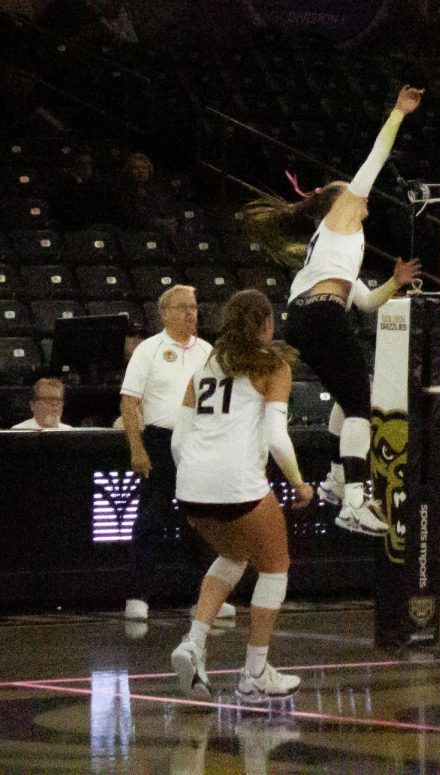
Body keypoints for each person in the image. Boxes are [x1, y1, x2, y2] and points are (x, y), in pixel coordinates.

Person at [242, 85, 424, 536]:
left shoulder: (339, 245)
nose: (361, 194)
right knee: (363, 402)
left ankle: (336, 479)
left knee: (350, 395)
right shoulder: (339, 216)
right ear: (338, 200)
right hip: (320, 315)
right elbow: (374, 161)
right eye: (350, 191)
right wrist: (398, 114)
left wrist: (394, 283)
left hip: (310, 315)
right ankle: (356, 500)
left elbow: (363, 300)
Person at [169, 289, 314, 703]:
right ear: (268, 324)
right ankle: (254, 673)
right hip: (238, 483)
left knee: (233, 555)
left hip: (192, 485)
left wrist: (199, 477)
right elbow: (277, 439)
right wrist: (299, 483)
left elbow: (179, 441)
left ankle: (194, 642)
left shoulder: (205, 367)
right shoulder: (274, 366)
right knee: (274, 567)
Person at [120, 284, 223, 622]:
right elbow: (130, 401)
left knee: (200, 522)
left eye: (193, 306)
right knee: (151, 518)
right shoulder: (148, 350)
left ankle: (202, 600)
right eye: (182, 307)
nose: (190, 313)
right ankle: (138, 595)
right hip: (160, 441)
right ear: (164, 313)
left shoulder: (207, 351)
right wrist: (137, 448)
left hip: (197, 442)